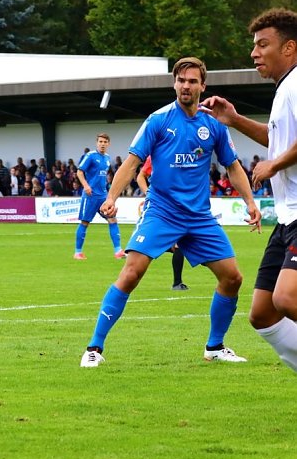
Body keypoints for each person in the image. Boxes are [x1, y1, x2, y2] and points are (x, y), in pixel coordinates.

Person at [80, 56, 261, 368]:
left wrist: (250, 202)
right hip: (162, 213)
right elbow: (132, 162)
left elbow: (232, 165)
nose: (185, 86)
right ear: (174, 84)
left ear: (203, 86)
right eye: (180, 80)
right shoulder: (158, 120)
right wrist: (112, 196)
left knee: (232, 278)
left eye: (192, 81)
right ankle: (94, 347)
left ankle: (214, 346)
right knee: (132, 272)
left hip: (199, 217)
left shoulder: (213, 123)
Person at [200, 8, 297, 372]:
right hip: (288, 217)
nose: (254, 53)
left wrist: (274, 164)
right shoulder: (285, 88)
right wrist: (235, 120)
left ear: (289, 48)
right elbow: (278, 140)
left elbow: (280, 153)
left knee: (288, 297)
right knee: (263, 313)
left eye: (262, 45)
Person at [136, 156, 189, 290]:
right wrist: (148, 193)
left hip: (179, 204)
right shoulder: (154, 156)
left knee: (182, 244)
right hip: (160, 206)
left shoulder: (183, 154)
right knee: (179, 244)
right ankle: (177, 283)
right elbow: (140, 176)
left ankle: (160, 247)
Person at [74, 133, 126, 260]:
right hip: (90, 196)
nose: (102, 144)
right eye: (100, 141)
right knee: (85, 222)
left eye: (105, 142)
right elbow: (79, 172)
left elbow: (102, 177)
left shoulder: (107, 158)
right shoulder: (91, 156)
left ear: (108, 144)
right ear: (97, 143)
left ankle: (118, 251)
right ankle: (78, 252)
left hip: (103, 196)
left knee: (112, 219)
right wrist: (86, 186)